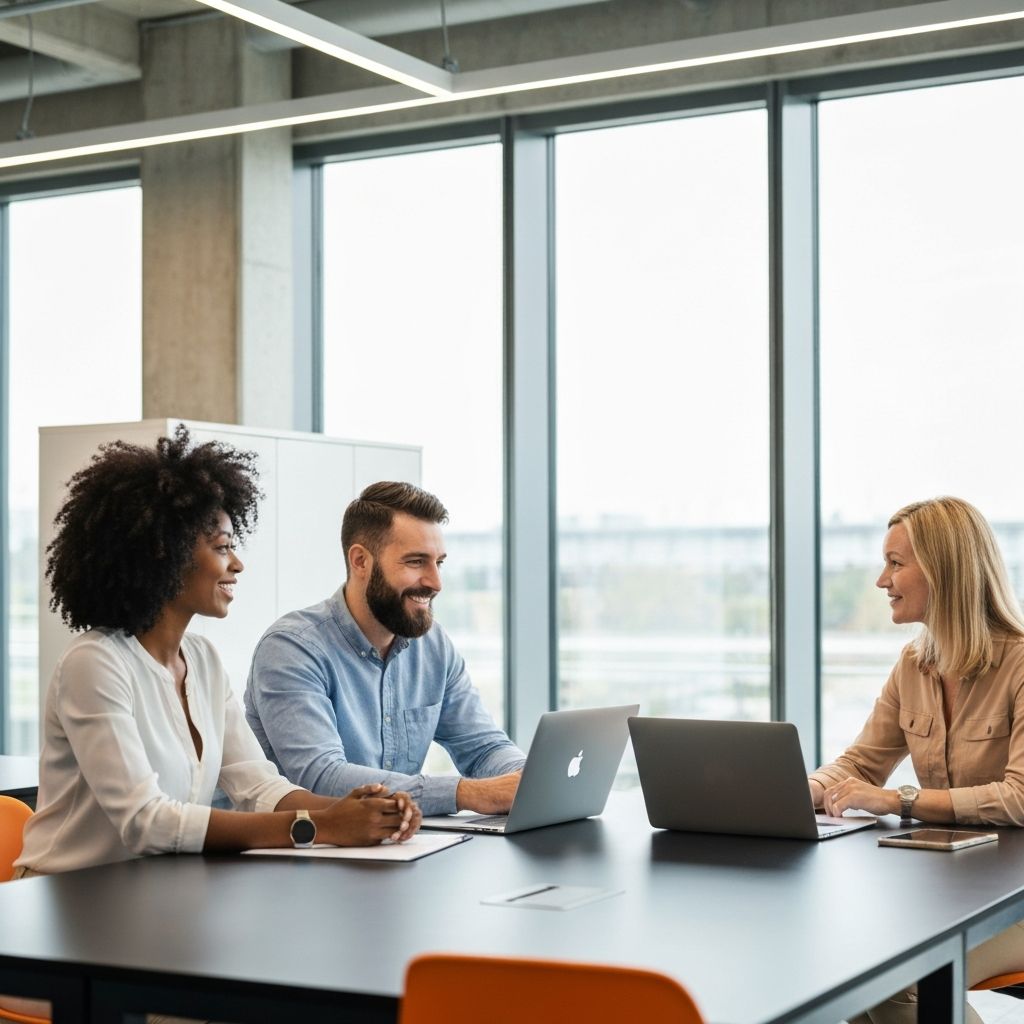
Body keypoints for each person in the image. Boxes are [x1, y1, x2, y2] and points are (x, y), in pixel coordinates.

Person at [15, 428, 421, 878]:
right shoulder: (94, 664)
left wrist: (359, 812)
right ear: (162, 556)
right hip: (65, 899)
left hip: (153, 895)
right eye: (222, 547)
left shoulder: (203, 659)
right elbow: (146, 821)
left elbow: (257, 785)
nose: (237, 563)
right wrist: (320, 825)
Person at [808, 497, 1024, 1024]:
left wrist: (898, 800)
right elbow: (861, 761)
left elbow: (1019, 798)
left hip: (1014, 903)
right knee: (847, 974)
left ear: (945, 571)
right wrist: (804, 788)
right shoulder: (913, 665)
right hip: (947, 894)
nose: (882, 580)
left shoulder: (1020, 664)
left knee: (896, 978)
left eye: (896, 563)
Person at [244, 481, 526, 817]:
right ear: (361, 561)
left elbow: (484, 748)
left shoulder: (433, 645)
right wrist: (468, 793)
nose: (436, 582)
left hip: (389, 850)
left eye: (439, 562)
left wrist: (528, 779)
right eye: (416, 562)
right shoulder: (292, 648)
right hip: (293, 855)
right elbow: (320, 777)